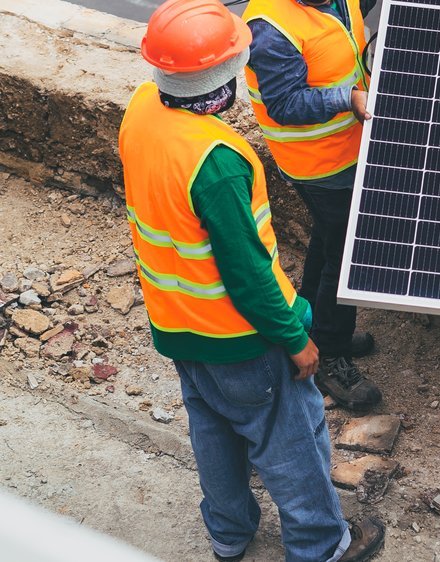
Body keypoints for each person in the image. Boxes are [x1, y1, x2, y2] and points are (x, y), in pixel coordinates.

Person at [118, 1, 384, 560]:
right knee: (292, 442)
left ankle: (229, 533)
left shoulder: (141, 109)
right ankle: (320, 544)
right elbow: (247, 275)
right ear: (223, 77)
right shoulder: (216, 161)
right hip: (241, 339)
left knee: (213, 433)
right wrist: (296, 339)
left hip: (177, 326)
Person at [242, 0, 382, 414]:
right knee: (345, 254)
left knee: (327, 239)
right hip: (318, 164)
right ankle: (332, 356)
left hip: (353, 147)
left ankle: (313, 327)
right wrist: (348, 97)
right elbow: (285, 104)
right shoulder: (270, 28)